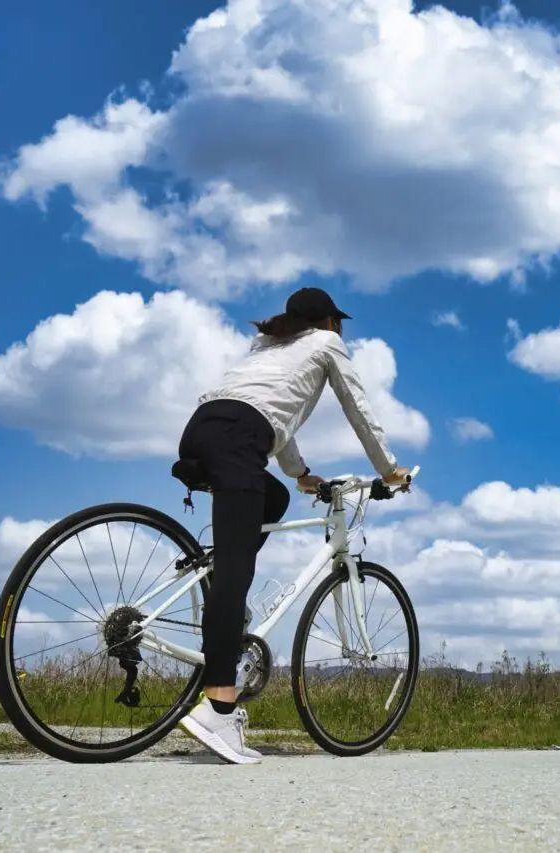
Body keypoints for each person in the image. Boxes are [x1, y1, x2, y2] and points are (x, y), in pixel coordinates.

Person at [172, 285, 410, 765]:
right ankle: (218, 707)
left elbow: (271, 418)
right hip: (239, 438)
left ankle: (221, 599)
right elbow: (357, 408)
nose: (340, 328)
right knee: (238, 572)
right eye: (337, 321)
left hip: (203, 428)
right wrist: (389, 469)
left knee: (273, 497)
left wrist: (300, 475)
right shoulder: (326, 345)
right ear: (328, 322)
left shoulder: (268, 348)